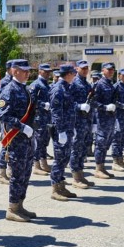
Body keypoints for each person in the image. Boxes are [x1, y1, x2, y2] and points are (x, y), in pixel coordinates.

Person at [0, 59, 37, 222]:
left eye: (28, 71)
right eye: (24, 71)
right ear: (15, 71)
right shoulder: (9, 90)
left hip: (27, 139)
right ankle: (12, 208)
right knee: (17, 174)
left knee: (26, 173)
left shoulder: (25, 89)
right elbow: (2, 115)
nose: (28, 73)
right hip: (16, 139)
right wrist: (21, 127)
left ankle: (20, 205)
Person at [49, 64, 78, 201]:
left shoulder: (67, 87)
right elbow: (56, 112)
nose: (75, 76)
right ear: (68, 74)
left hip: (68, 129)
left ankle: (61, 185)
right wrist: (60, 131)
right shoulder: (58, 88)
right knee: (59, 159)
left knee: (65, 158)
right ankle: (55, 188)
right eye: (73, 73)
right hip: (61, 130)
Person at [69, 60, 96, 188]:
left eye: (86, 68)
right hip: (77, 121)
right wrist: (80, 106)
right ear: (77, 69)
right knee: (76, 149)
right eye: (83, 68)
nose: (85, 70)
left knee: (83, 149)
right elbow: (68, 103)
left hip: (86, 121)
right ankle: (75, 177)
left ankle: (81, 174)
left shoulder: (86, 83)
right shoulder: (74, 83)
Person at [93, 63, 118, 179]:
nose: (111, 71)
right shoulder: (99, 84)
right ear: (103, 70)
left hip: (111, 118)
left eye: (112, 70)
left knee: (107, 143)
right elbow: (93, 102)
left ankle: (103, 167)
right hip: (102, 118)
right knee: (101, 143)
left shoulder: (110, 83)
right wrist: (105, 107)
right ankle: (98, 168)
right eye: (108, 69)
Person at [29, 63, 53, 176]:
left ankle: (43, 162)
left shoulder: (46, 84)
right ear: (40, 71)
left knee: (44, 141)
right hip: (38, 117)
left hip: (46, 117)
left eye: (49, 72)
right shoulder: (36, 85)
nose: (48, 73)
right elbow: (31, 101)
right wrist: (43, 105)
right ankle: (36, 165)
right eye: (45, 71)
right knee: (38, 141)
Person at [0, 60, 16, 184]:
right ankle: (2, 173)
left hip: (16, 119)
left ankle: (10, 169)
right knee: (6, 144)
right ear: (9, 69)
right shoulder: (3, 83)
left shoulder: (14, 82)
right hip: (7, 118)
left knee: (13, 145)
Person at [111, 69, 124, 171]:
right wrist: (122, 105)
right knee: (116, 139)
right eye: (123, 75)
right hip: (117, 116)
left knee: (123, 139)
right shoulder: (115, 87)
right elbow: (112, 101)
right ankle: (115, 162)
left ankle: (121, 160)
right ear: (119, 75)